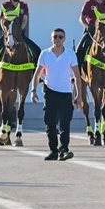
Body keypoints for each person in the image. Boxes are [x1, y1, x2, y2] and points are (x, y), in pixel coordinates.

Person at [31, 28, 84, 160]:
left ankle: (64, 150)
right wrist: (33, 90)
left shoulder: (70, 54)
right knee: (50, 123)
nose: (58, 39)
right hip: (50, 92)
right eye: (55, 37)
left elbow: (77, 76)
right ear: (51, 38)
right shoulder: (45, 54)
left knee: (65, 123)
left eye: (60, 37)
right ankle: (53, 150)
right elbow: (37, 74)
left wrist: (79, 95)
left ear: (64, 39)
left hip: (66, 93)